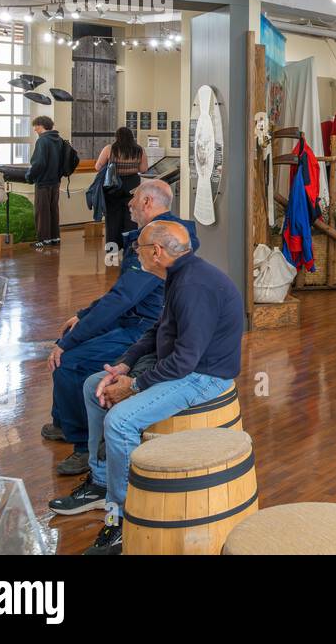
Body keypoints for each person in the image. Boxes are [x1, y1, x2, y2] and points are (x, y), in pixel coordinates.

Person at [48, 218, 243, 556]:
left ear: (155, 252)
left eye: (137, 249)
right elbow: (157, 330)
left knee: (120, 421)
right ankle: (100, 482)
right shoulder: (179, 274)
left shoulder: (193, 285)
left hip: (204, 376)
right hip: (185, 368)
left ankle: (123, 520)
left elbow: (184, 361)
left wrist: (134, 385)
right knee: (93, 385)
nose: (134, 255)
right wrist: (124, 364)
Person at [42, 179, 198, 475]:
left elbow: (123, 298)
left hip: (142, 327)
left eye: (134, 198)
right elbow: (123, 291)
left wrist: (71, 341)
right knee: (71, 338)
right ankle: (66, 421)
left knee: (68, 361)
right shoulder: (162, 234)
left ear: (148, 203)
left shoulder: (158, 244)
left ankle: (83, 446)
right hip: (133, 317)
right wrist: (84, 315)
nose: (129, 204)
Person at [94, 127, 149, 253]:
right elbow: (144, 169)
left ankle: (112, 249)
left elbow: (98, 167)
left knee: (112, 218)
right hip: (133, 186)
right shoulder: (139, 150)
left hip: (113, 186)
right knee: (131, 217)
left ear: (116, 136)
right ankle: (129, 248)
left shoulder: (110, 149)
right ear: (131, 136)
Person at [25, 115, 68, 249]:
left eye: (35, 126)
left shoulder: (42, 141)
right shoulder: (59, 140)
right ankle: (55, 237)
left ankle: (43, 240)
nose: (34, 130)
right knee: (53, 209)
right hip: (56, 181)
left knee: (42, 211)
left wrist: (29, 176)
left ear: (40, 125)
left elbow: (39, 163)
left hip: (43, 182)